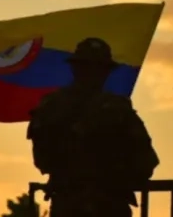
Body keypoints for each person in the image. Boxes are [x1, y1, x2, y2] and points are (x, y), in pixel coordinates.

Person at [27, 37, 159, 217]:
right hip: (105, 204)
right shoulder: (116, 108)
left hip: (72, 203)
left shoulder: (51, 105)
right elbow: (146, 162)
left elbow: (42, 159)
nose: (94, 73)